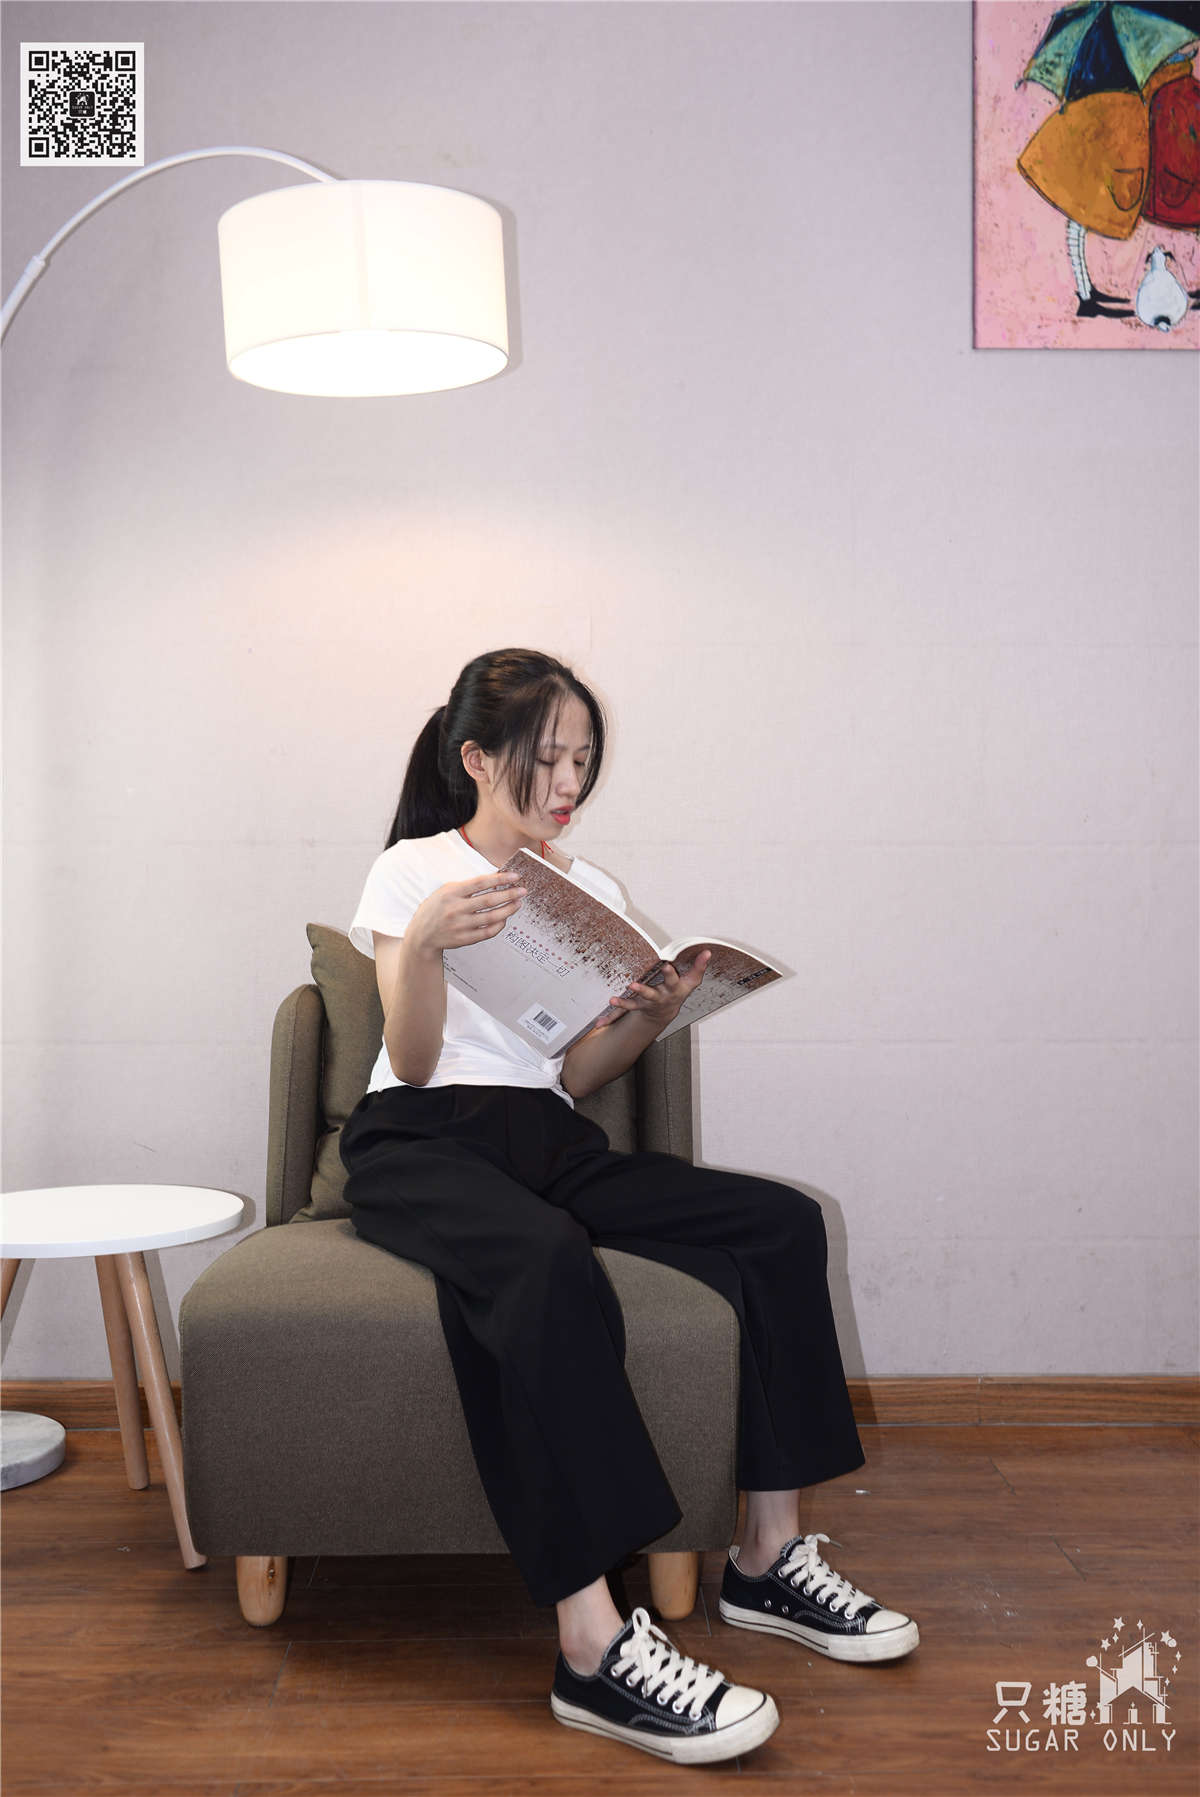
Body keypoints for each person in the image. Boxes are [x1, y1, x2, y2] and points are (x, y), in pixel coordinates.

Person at [339, 647, 919, 1766]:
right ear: (476, 757)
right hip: (418, 1135)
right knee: (540, 1258)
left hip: (545, 1134)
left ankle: (767, 1560)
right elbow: (409, 1061)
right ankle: (593, 1645)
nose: (569, 783)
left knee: (779, 1225)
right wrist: (425, 948)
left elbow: (573, 1074)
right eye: (548, 758)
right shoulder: (413, 872)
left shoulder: (589, 894)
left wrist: (653, 1009)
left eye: (583, 761)